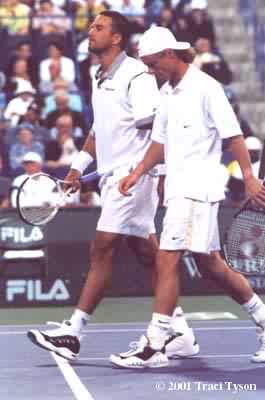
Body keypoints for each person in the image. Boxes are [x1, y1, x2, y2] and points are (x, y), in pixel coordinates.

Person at [27, 11, 199, 361]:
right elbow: (98, 131)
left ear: (117, 38)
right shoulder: (98, 74)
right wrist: (77, 168)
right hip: (112, 177)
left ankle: (73, 332)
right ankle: (179, 331)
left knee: (101, 247)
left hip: (131, 179)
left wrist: (151, 171)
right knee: (146, 252)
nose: (90, 32)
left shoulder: (136, 75)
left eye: (99, 28)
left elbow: (156, 125)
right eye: (91, 26)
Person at [109, 26, 265, 368]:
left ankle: (155, 342)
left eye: (153, 63)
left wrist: (249, 177)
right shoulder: (167, 93)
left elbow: (234, 136)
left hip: (197, 188)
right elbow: (159, 144)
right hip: (180, 188)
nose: (150, 71)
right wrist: (136, 174)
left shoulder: (206, 88)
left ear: (170, 54)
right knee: (211, 265)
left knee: (166, 258)